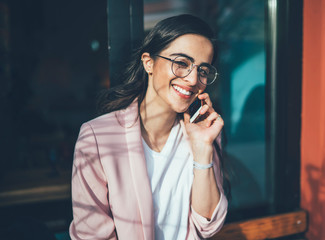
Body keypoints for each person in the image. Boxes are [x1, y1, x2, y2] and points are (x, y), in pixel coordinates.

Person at [69, 14, 228, 240]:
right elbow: (91, 235)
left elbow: (208, 226)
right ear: (149, 62)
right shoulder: (97, 137)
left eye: (202, 70)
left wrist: (203, 150)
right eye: (182, 63)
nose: (193, 80)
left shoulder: (203, 132)